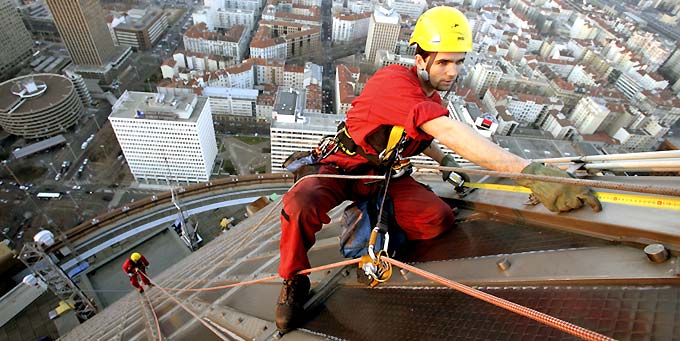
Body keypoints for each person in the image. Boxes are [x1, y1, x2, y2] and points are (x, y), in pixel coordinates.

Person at [274, 6, 602, 334]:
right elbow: (447, 131)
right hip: (343, 168)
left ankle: (369, 217)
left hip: (383, 178)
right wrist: (528, 173)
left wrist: (444, 163)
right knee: (300, 203)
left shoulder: (430, 99)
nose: (453, 71)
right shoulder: (393, 82)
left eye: (458, 62)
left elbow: (422, 135)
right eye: (443, 62)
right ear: (421, 61)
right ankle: (294, 280)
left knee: (436, 219)